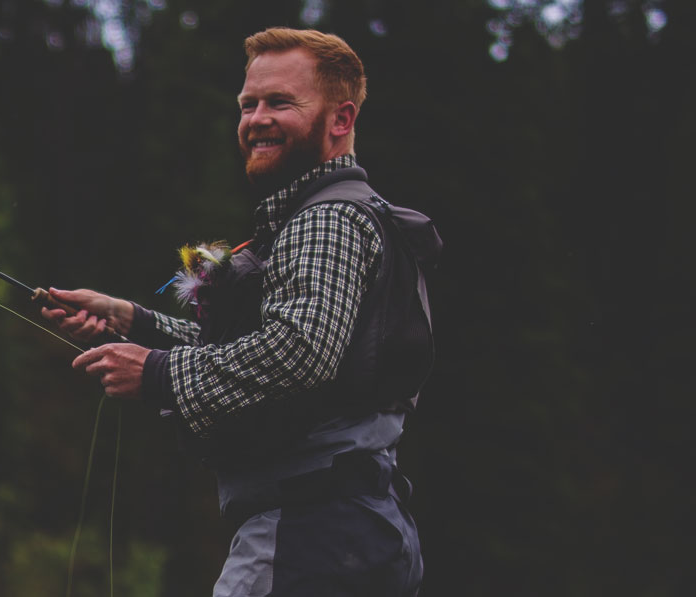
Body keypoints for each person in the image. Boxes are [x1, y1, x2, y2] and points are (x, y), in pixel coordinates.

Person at [42, 27, 430, 597]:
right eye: (248, 105)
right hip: (350, 533)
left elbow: (300, 351)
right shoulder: (339, 214)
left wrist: (154, 373)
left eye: (280, 103)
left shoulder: (325, 220)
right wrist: (133, 321)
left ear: (340, 120)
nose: (256, 120)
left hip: (311, 534)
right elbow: (282, 343)